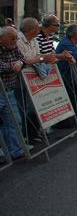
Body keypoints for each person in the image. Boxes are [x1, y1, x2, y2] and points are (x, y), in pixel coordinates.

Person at [0, 26, 27, 162]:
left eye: (16, 38)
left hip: (8, 91)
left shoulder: (14, 47)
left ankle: (15, 151)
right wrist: (13, 66)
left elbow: (23, 59)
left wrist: (19, 62)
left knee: (15, 121)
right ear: (1, 38)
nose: (15, 41)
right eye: (12, 38)